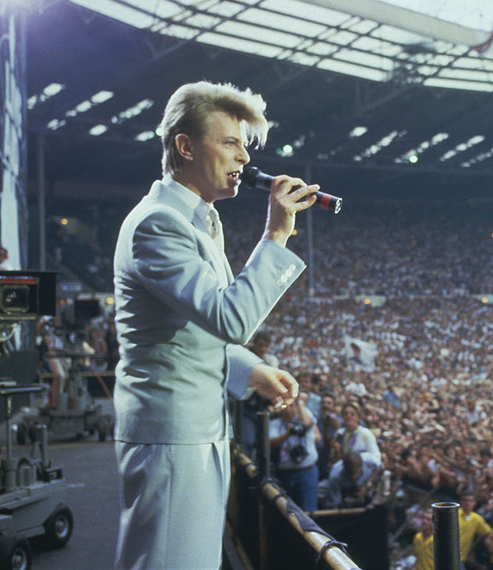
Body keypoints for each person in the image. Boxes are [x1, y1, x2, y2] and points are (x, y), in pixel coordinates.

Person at [113, 81, 319, 570]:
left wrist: (251, 371)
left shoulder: (197, 221)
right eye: (230, 142)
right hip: (172, 437)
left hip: (192, 431)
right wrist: (276, 234)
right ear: (185, 146)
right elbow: (231, 317)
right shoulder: (158, 224)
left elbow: (192, 333)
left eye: (245, 145)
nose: (244, 158)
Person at [269, 396, 322, 511]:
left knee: (308, 511)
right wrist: (287, 434)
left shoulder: (304, 416)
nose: (288, 409)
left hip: (306, 473)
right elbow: (271, 442)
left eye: (292, 406)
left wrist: (301, 402)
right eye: (285, 406)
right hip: (284, 474)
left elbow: (307, 423)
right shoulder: (275, 423)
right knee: (286, 511)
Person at [459, 491, 492, 569]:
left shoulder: (476, 518)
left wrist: (488, 541)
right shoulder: (454, 514)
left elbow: (488, 532)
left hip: (461, 558)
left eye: (470, 501)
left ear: (474, 503)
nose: (468, 503)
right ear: (461, 502)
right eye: (465, 500)